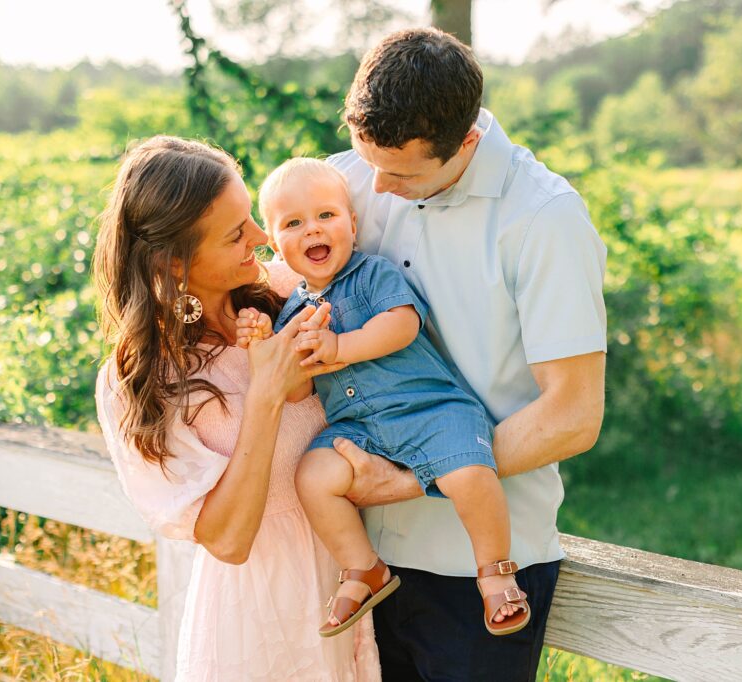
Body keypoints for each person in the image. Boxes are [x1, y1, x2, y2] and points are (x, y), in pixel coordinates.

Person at [324, 27, 608, 680]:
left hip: (477, 571)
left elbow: (573, 414)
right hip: (360, 564)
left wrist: (410, 479)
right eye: (367, 159)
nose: (377, 187)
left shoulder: (544, 219)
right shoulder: (348, 185)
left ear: (468, 142)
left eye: (402, 173)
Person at [92, 136, 380, 680]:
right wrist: (267, 394)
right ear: (174, 263)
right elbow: (227, 539)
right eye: (235, 234)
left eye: (251, 217)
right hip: (257, 622)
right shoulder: (142, 380)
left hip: (352, 583)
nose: (261, 236)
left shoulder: (297, 289)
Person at [238, 157, 529, 639]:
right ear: (274, 242)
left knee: (471, 474)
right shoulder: (292, 310)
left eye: (326, 216)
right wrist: (263, 348)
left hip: (430, 410)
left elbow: (402, 324)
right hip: (360, 430)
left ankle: (496, 572)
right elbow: (297, 390)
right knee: (312, 476)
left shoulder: (373, 273)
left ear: (352, 223)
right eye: (293, 223)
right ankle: (363, 568)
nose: (312, 230)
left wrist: (340, 346)